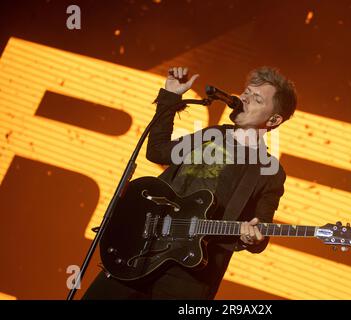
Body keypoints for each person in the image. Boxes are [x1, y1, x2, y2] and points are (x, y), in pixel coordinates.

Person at [82, 66, 297, 300]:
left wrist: (252, 237)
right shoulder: (211, 135)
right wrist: (171, 96)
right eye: (246, 92)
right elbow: (157, 152)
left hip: (189, 276)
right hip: (142, 249)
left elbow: (260, 230)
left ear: (274, 119)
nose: (244, 98)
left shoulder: (269, 171)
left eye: (256, 98)